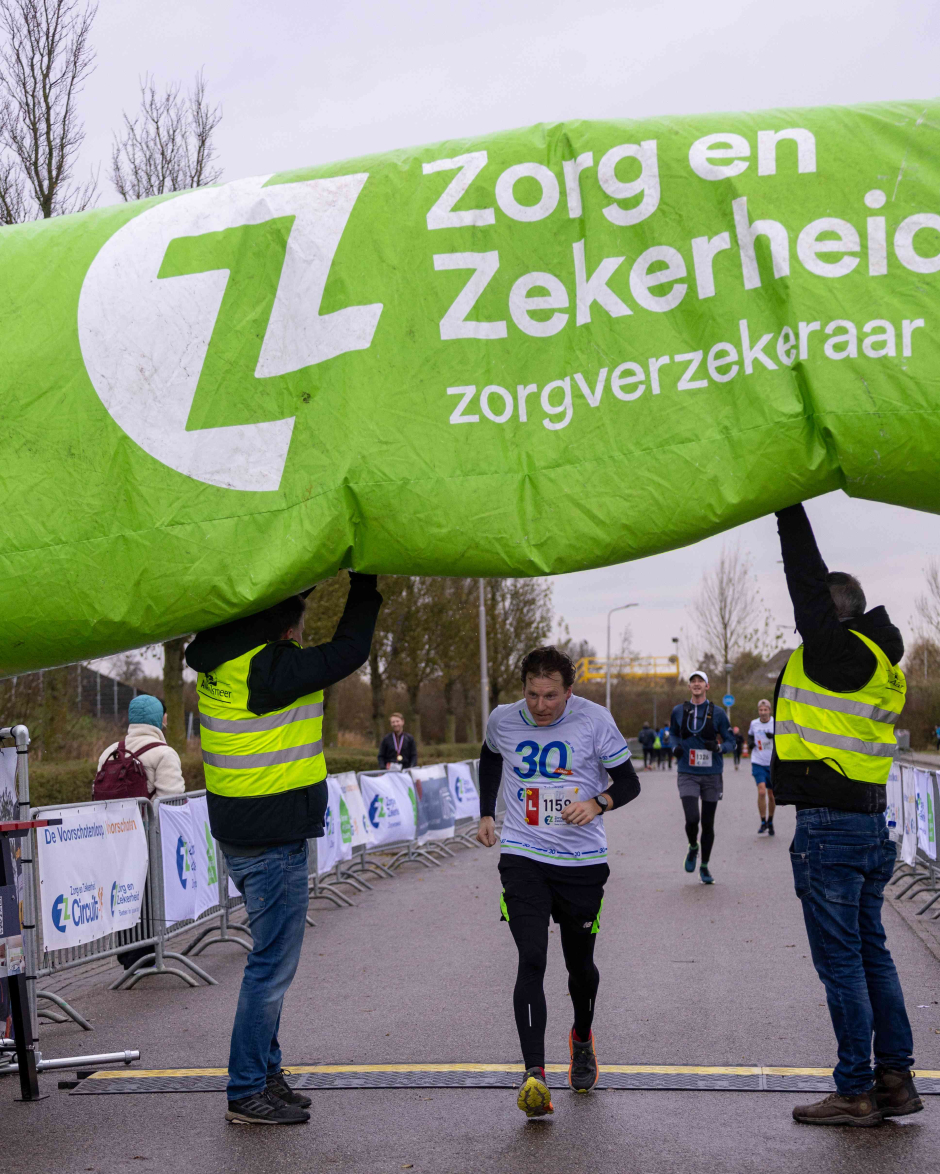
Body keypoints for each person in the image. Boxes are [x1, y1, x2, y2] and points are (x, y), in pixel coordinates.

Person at [186, 571, 382, 1126]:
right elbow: (350, 650)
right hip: (273, 839)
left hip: (245, 832)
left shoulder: (223, 660)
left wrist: (304, 575)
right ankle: (246, 1089)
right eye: (296, 627)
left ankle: (267, 1075)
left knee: (268, 966)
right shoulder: (271, 670)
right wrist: (363, 584)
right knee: (269, 970)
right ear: (281, 630)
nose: (300, 636)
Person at [773, 503, 921, 1127]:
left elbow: (804, 575)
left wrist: (786, 501)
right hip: (866, 825)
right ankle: (894, 1081)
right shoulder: (883, 664)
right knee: (870, 955)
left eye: (812, 616)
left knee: (842, 965)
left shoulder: (839, 653)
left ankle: (855, 1089)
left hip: (831, 829)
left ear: (830, 616)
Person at [476, 646, 641, 1118]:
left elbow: (628, 782)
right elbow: (489, 757)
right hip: (523, 855)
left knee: (579, 967)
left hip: (582, 862)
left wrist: (598, 803)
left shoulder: (595, 719)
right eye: (532, 694)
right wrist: (487, 812)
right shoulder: (504, 719)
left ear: (570, 691)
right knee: (531, 957)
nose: (541, 705)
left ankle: (582, 1037)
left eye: (551, 696)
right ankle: (535, 1076)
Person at [98, 694, 186, 970]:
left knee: (124, 892)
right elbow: (172, 799)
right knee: (148, 895)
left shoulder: (111, 750)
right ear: (158, 718)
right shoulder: (163, 752)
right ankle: (148, 954)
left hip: (115, 835)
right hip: (147, 837)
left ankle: (128, 953)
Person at [670, 671, 734, 884]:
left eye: (700, 681)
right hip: (687, 771)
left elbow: (730, 742)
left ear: (707, 686)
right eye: (693, 681)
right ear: (689, 687)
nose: (696, 684)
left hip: (711, 774)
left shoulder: (718, 713)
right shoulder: (678, 710)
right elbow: (672, 734)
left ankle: (705, 866)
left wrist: (718, 747)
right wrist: (674, 747)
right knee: (692, 818)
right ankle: (693, 846)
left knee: (708, 823)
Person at [97, 694, 186, 801]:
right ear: (161, 718)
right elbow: (172, 801)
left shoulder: (110, 751)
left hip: (110, 818)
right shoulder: (165, 754)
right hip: (146, 818)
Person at [747, 699, 776, 835]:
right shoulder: (754, 723)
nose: (763, 712)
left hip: (772, 763)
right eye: (761, 710)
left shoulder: (775, 723)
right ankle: (763, 821)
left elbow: (783, 739)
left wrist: (774, 737)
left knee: (771, 795)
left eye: (765, 710)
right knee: (762, 792)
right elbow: (750, 737)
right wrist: (751, 743)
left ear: (769, 710)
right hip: (758, 761)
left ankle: (770, 821)